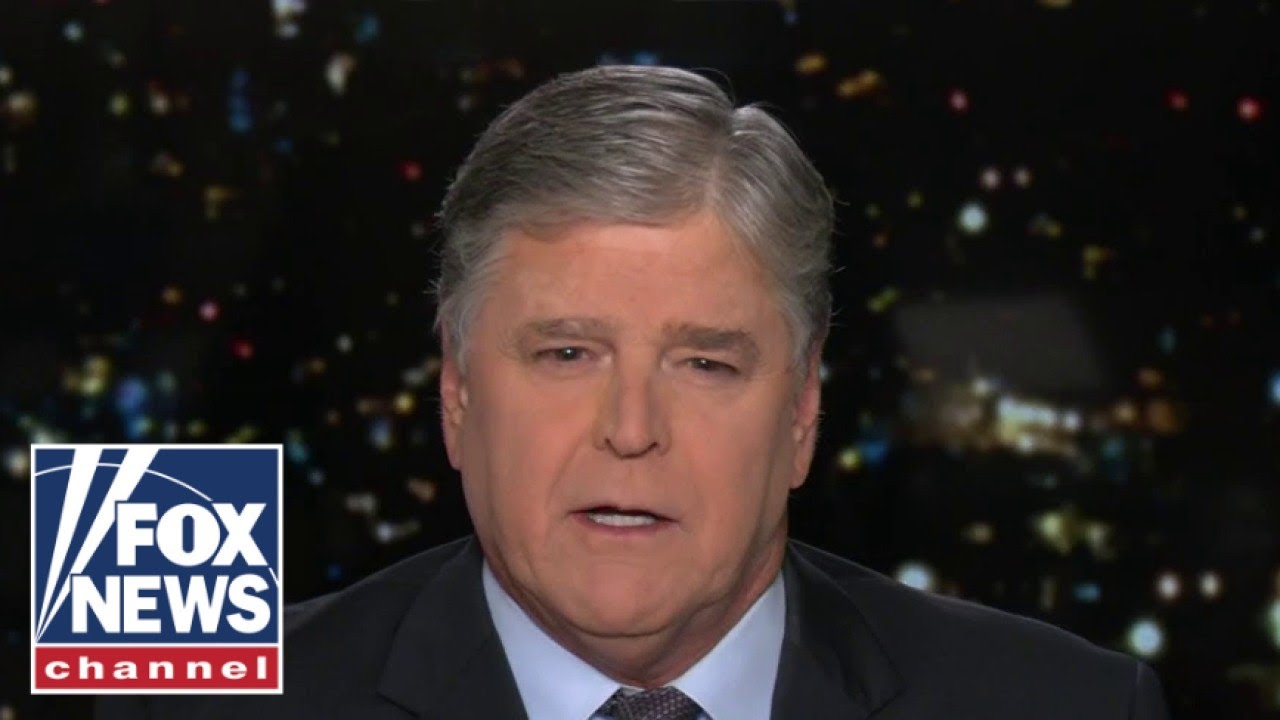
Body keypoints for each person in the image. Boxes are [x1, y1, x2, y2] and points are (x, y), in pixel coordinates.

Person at [98, 65, 1170, 720]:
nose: (630, 430)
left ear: (801, 413)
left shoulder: (1071, 707)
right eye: (567, 354)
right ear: (458, 394)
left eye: (705, 364)